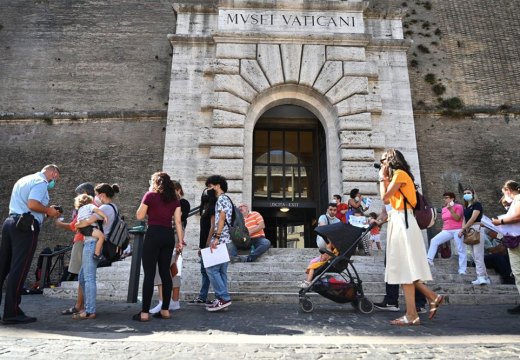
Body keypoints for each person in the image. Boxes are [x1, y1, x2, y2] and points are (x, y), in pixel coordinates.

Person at [378, 149, 443, 326]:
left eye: (383, 160)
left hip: (403, 221)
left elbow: (385, 198)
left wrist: (382, 177)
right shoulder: (399, 176)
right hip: (399, 220)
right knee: (402, 269)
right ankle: (417, 309)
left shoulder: (399, 174)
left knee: (404, 268)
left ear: (391, 160)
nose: (382, 163)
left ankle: (417, 309)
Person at [0, 165, 62, 324]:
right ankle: (11, 313)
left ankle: (10, 310)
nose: (54, 182)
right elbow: (33, 204)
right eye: (56, 178)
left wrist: (45, 211)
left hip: (10, 222)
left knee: (3, 267)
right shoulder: (41, 182)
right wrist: (49, 211)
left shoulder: (24, 179)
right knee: (19, 269)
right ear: (53, 173)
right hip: (26, 226)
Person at [133, 172, 184, 322]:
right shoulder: (175, 199)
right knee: (165, 273)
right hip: (168, 236)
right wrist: (180, 241)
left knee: (149, 274)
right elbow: (178, 222)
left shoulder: (150, 196)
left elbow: (139, 216)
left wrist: (148, 198)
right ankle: (165, 310)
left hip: (153, 234)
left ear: (155, 183)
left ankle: (144, 313)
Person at [74, 183, 120, 320]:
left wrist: (78, 224)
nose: (95, 197)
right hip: (93, 241)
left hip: (92, 243)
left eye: (96, 194)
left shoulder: (105, 207)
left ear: (101, 195)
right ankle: (88, 306)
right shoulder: (113, 207)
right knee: (82, 277)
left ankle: (90, 310)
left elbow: (86, 222)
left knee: (88, 278)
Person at [370, 205, 427, 314]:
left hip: (407, 233)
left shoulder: (399, 193)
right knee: (391, 266)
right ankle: (391, 301)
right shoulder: (389, 195)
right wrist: (377, 221)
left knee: (412, 267)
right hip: (395, 233)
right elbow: (385, 212)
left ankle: (420, 302)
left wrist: (380, 221)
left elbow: (394, 214)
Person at [54, 182, 95, 315]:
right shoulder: (94, 206)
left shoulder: (86, 207)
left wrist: (59, 223)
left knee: (82, 276)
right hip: (88, 241)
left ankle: (80, 306)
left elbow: (74, 226)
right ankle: (84, 305)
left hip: (82, 241)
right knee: (85, 276)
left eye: (79, 194)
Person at [150, 181, 190, 313]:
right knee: (172, 269)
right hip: (175, 236)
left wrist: (180, 241)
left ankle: (164, 302)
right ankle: (173, 301)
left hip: (172, 236)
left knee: (165, 268)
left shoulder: (178, 203)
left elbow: (180, 223)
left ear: (178, 189)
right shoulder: (177, 203)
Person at [491, 180, 520, 314]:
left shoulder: (519, 199)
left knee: (518, 272)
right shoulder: (514, 201)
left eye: (504, 192)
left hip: (517, 239)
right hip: (513, 239)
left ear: (508, 190)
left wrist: (499, 221)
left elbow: (518, 216)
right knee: (517, 272)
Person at [205, 175, 233, 312]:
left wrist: (216, 237)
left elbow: (222, 217)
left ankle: (223, 297)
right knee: (221, 272)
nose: (208, 189)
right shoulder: (227, 199)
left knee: (211, 269)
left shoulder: (222, 199)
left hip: (221, 240)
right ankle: (221, 299)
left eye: (209, 186)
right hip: (226, 240)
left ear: (217, 185)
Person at [188, 186, 217, 306]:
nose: (204, 195)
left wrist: (207, 244)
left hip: (209, 245)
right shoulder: (204, 209)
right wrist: (201, 247)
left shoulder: (212, 209)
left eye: (207, 193)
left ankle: (218, 297)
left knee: (211, 271)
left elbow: (212, 227)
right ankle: (202, 296)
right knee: (204, 271)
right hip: (204, 245)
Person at [426, 192, 466, 274]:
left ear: (452, 199)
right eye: (444, 198)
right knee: (434, 240)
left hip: (458, 229)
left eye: (447, 197)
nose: (445, 199)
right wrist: (443, 230)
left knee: (460, 249)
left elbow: (457, 218)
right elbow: (446, 220)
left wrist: (451, 209)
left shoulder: (459, 207)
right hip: (447, 230)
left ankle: (462, 270)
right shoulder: (444, 209)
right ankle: (429, 260)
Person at [458, 188, 490, 285]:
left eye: (468, 193)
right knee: (473, 254)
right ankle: (484, 277)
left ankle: (481, 277)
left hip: (476, 228)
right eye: (465, 193)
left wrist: (463, 229)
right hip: (468, 230)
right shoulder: (466, 207)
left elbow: (473, 218)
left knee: (478, 254)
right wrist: (463, 229)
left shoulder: (477, 205)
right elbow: (464, 219)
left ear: (473, 194)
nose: (466, 195)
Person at [74, 194, 108, 261]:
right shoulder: (90, 206)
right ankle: (97, 254)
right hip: (89, 227)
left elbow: (79, 221)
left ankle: (97, 252)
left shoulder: (80, 209)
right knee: (101, 237)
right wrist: (105, 216)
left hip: (82, 229)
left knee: (98, 236)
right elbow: (97, 210)